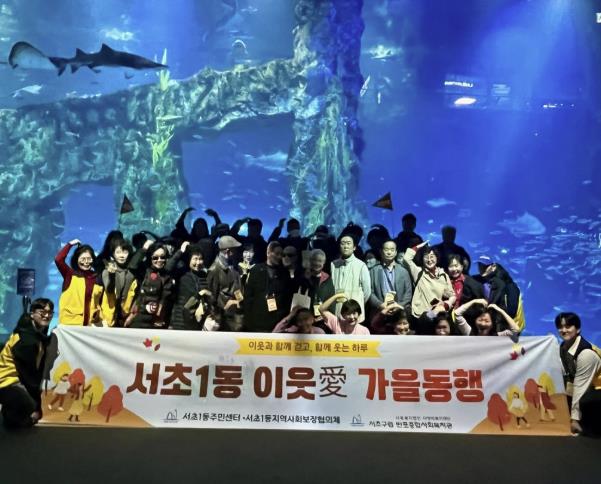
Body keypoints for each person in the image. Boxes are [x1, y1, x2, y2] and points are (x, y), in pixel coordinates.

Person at [0, 298, 52, 428]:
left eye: (50, 312)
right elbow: (28, 376)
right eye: (42, 312)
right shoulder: (26, 340)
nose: (46, 315)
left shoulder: (33, 331)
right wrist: (37, 406)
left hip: (13, 381)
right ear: (32, 314)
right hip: (6, 382)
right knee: (30, 405)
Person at [555, 312, 601, 435]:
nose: (563, 330)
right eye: (560, 327)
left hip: (597, 390)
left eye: (568, 326)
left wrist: (574, 419)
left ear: (578, 329)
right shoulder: (563, 347)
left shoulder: (586, 354)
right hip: (585, 388)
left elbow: (580, 387)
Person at [403, 241, 455, 333]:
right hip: (421, 316)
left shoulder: (443, 275)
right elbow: (406, 258)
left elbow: (452, 295)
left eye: (432, 256)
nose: (429, 260)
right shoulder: (418, 272)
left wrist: (446, 305)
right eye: (426, 257)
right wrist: (420, 246)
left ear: (437, 258)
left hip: (436, 316)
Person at [244, 241, 293, 332]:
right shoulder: (256, 270)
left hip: (276, 323)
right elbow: (248, 297)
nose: (279, 257)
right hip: (256, 322)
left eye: (281, 254)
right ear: (268, 253)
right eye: (277, 254)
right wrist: (248, 322)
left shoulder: (284, 273)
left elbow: (287, 299)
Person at [55, 239, 103, 326]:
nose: (86, 262)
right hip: (71, 324)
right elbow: (58, 259)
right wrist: (70, 244)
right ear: (76, 260)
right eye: (83, 259)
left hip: (90, 325)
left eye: (89, 259)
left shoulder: (96, 277)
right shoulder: (70, 274)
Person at [127, 241, 174, 329]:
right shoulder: (144, 271)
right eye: (155, 258)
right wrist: (144, 249)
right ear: (150, 258)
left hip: (157, 322)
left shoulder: (167, 276)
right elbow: (132, 266)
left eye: (162, 257)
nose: (159, 260)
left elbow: (167, 299)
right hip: (139, 320)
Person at [473, 256, 525, 332]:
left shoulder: (509, 286)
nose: (481, 268)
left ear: (493, 267)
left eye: (485, 266)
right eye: (479, 265)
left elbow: (512, 312)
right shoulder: (485, 279)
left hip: (509, 328)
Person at [330, 235, 371, 323]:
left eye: (348, 243)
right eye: (343, 243)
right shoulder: (333, 264)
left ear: (354, 247)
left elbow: (367, 292)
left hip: (354, 313)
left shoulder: (361, 265)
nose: (345, 246)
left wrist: (357, 303)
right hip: (337, 311)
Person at [169, 242, 209, 330]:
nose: (198, 262)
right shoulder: (181, 273)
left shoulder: (204, 275)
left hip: (197, 322)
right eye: (195, 259)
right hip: (180, 322)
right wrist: (180, 251)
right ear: (189, 259)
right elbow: (168, 268)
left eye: (200, 259)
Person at [206, 235, 243, 330]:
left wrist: (240, 301)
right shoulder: (214, 269)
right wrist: (217, 317)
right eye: (234, 250)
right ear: (228, 251)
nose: (237, 252)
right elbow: (211, 297)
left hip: (235, 315)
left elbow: (237, 288)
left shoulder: (234, 266)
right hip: (223, 319)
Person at [99, 238, 137, 327]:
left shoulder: (131, 273)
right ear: (113, 254)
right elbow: (109, 290)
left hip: (125, 317)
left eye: (125, 252)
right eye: (118, 252)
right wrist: (112, 275)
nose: (122, 256)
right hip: (108, 318)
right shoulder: (107, 271)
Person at [369, 240, 412, 316]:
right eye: (386, 250)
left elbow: (408, 293)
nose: (389, 252)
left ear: (396, 252)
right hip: (380, 310)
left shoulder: (403, 271)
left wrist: (398, 305)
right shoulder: (373, 271)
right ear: (381, 252)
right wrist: (380, 305)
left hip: (399, 311)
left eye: (392, 250)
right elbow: (370, 292)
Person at [453, 299, 520, 336]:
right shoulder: (469, 333)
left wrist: (500, 310)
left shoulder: (497, 337)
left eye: (487, 321)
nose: (483, 324)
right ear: (475, 321)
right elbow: (457, 314)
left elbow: (516, 330)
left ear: (492, 325)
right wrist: (474, 301)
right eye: (480, 320)